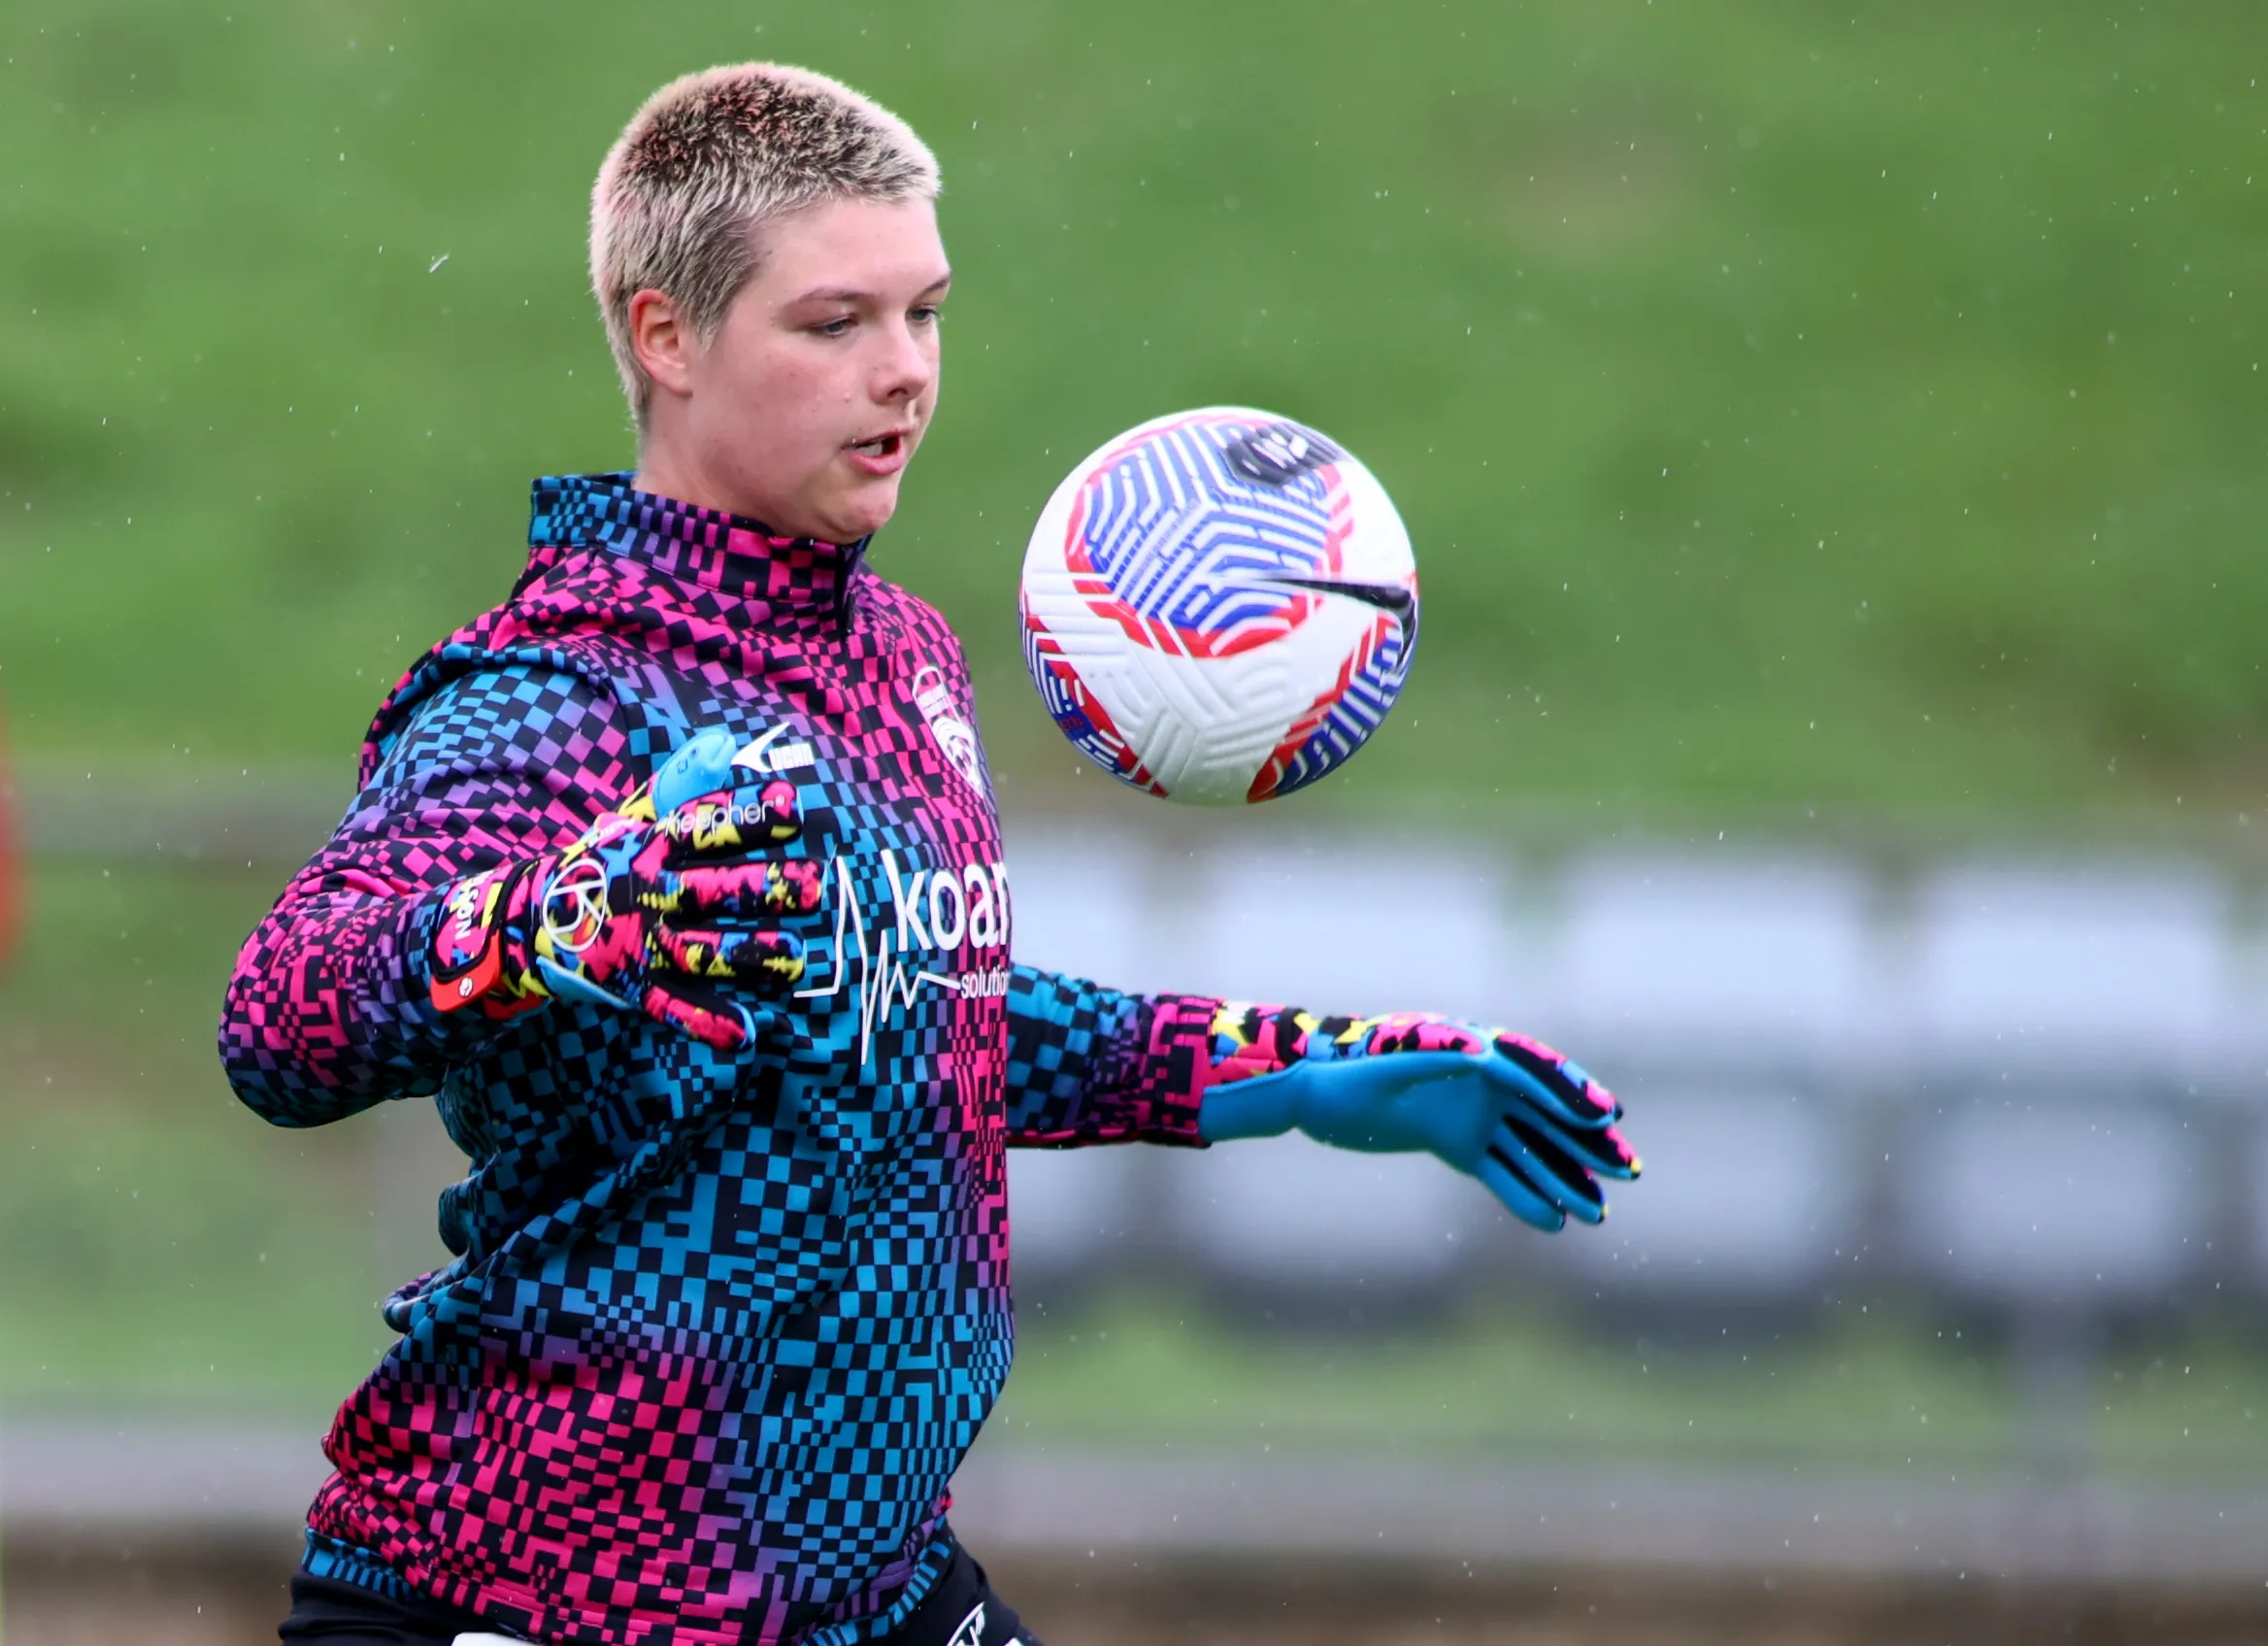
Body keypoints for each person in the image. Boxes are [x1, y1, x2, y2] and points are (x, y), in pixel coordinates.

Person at [219, 63, 1638, 1646]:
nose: (902, 375)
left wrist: (1285, 1069)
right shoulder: (560, 693)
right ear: (664, 336)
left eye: (925, 313)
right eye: (834, 324)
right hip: (542, 1596)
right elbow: (281, 1019)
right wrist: (566, 910)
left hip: (863, 1589)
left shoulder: (897, 653)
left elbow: (919, 1016)